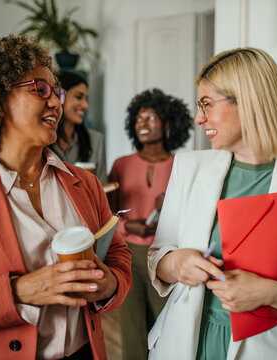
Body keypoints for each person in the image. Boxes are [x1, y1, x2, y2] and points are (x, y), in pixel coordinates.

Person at [0, 34, 132, 360]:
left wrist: (112, 285)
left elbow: (116, 252)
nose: (56, 103)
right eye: (40, 90)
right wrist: (18, 292)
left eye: (56, 92)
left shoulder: (85, 183)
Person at [147, 47, 277, 359]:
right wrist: (176, 264)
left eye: (207, 104)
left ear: (248, 102)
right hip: (183, 344)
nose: (199, 119)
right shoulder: (188, 167)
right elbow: (157, 258)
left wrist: (271, 293)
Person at [108, 88, 193, 360]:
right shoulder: (120, 165)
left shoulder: (184, 165)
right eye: (138, 119)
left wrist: (171, 210)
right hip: (126, 255)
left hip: (166, 256)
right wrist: (125, 228)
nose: (143, 124)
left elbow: (195, 216)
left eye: (151, 117)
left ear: (168, 124)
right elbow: (105, 214)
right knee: (132, 332)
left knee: (168, 329)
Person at [50, 71, 108, 184]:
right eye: (79, 97)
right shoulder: (43, 139)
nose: (86, 105)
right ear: (59, 96)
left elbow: (102, 188)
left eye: (86, 99)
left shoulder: (96, 140)